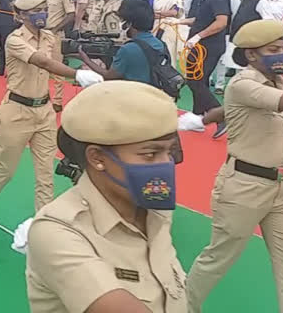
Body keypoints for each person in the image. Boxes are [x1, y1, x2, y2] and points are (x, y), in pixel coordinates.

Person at [26, 81, 186, 313]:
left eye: (169, 152)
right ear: (97, 158)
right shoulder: (58, 232)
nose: (165, 164)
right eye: (150, 154)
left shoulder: (155, 208)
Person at [187, 20, 283, 312]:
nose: (281, 54)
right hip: (245, 186)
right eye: (273, 49)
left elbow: (228, 109)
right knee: (217, 259)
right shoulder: (243, 83)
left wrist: (204, 119)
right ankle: (181, 306)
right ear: (252, 54)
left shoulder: (278, 81)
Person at [0, 0, 103, 238]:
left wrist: (61, 99)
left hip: (43, 111)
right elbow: (42, 62)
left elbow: (55, 70)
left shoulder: (49, 37)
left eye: (44, 8)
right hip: (16, 111)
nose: (41, 14)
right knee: (5, 169)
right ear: (20, 16)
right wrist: (78, 74)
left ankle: (44, 226)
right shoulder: (14, 40)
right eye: (34, 11)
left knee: (45, 173)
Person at [181, 0, 232, 137]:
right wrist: (182, 22)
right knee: (199, 81)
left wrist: (198, 36)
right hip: (202, 44)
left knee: (194, 80)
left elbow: (221, 22)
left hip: (208, 45)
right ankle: (197, 117)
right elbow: (203, 18)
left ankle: (219, 115)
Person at [80, 0, 168, 86]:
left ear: (129, 23)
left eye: (122, 20)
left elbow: (109, 76)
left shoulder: (128, 49)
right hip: (155, 93)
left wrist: (86, 59)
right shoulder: (160, 44)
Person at [40, 0, 75, 111]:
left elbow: (71, 14)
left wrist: (55, 29)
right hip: (41, 33)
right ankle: (43, 96)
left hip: (55, 35)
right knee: (40, 67)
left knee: (57, 69)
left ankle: (58, 101)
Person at [153, 0, 185, 65]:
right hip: (156, 26)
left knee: (169, 50)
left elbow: (174, 12)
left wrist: (158, 14)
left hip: (169, 26)